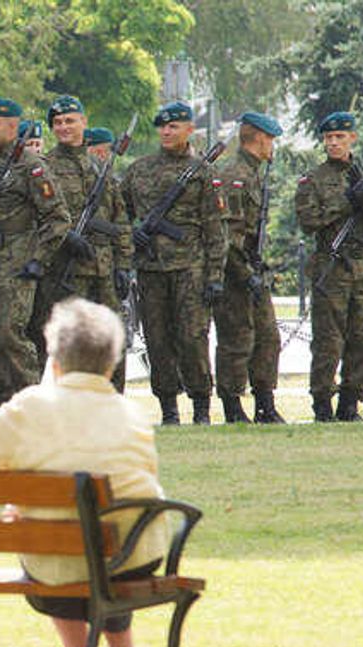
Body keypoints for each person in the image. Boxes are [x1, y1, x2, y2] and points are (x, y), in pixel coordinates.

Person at [0, 296, 167, 647]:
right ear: (111, 366)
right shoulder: (132, 413)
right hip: (137, 556)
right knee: (103, 539)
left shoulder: (31, 407)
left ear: (55, 362)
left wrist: (19, 484)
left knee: (59, 544)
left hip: (57, 558)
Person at [0, 97, 70, 410]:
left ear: (13, 126)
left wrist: (38, 259)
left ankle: (30, 402)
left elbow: (58, 218)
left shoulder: (32, 167)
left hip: (16, 265)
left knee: (11, 335)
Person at [121, 101, 227, 425]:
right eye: (163, 127)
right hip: (151, 269)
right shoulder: (139, 169)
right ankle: (168, 408)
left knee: (193, 338)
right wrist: (131, 235)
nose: (166, 132)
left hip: (190, 269)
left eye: (174, 126)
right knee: (157, 340)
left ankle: (201, 407)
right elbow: (118, 213)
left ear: (189, 129)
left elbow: (215, 229)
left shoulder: (203, 171)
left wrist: (214, 276)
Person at [295, 111, 363, 422]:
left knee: (362, 339)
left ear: (353, 138)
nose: (334, 143)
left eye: (340, 137)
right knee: (328, 341)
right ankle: (323, 404)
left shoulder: (361, 177)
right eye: (328, 138)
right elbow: (308, 221)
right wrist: (344, 203)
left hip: (359, 269)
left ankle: (350, 403)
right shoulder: (313, 179)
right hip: (330, 267)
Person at [33, 96, 132, 391]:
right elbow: (36, 218)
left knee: (112, 339)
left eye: (70, 120)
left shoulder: (99, 167)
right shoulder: (44, 167)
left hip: (104, 270)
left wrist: (123, 265)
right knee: (69, 343)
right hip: (66, 271)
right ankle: (69, 400)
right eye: (58, 122)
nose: (64, 127)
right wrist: (65, 237)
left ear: (83, 123)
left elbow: (120, 220)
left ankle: (112, 400)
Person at [213, 112, 285, 424]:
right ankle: (232, 408)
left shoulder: (254, 173)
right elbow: (227, 237)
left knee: (267, 338)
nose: (272, 146)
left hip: (251, 270)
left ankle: (265, 405)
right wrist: (246, 275)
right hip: (232, 273)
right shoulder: (234, 175)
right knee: (236, 340)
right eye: (271, 140)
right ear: (259, 138)